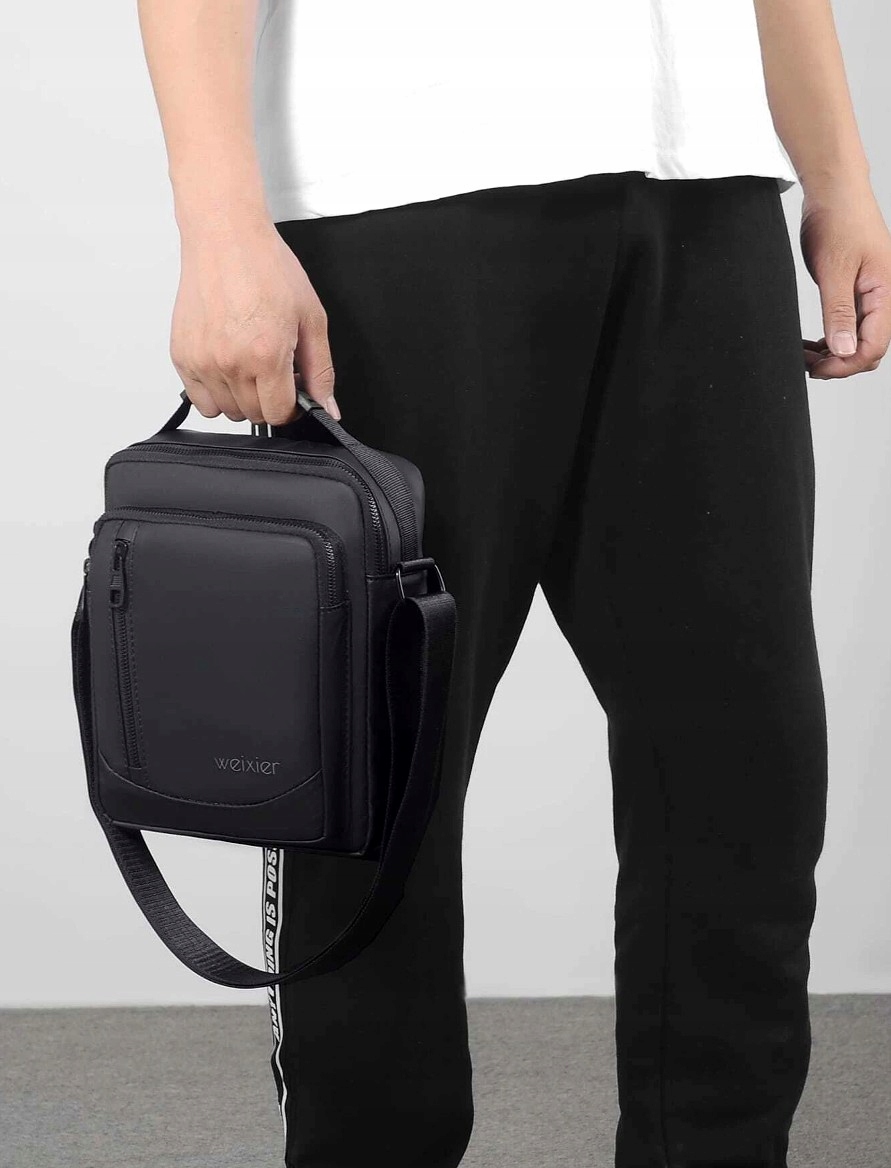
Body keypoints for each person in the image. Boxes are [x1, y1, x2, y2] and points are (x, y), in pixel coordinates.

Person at [135, 1, 890, 1165]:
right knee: (378, 777)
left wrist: (835, 170)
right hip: (395, 185)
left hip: (706, 182)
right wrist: (218, 222)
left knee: (746, 764)